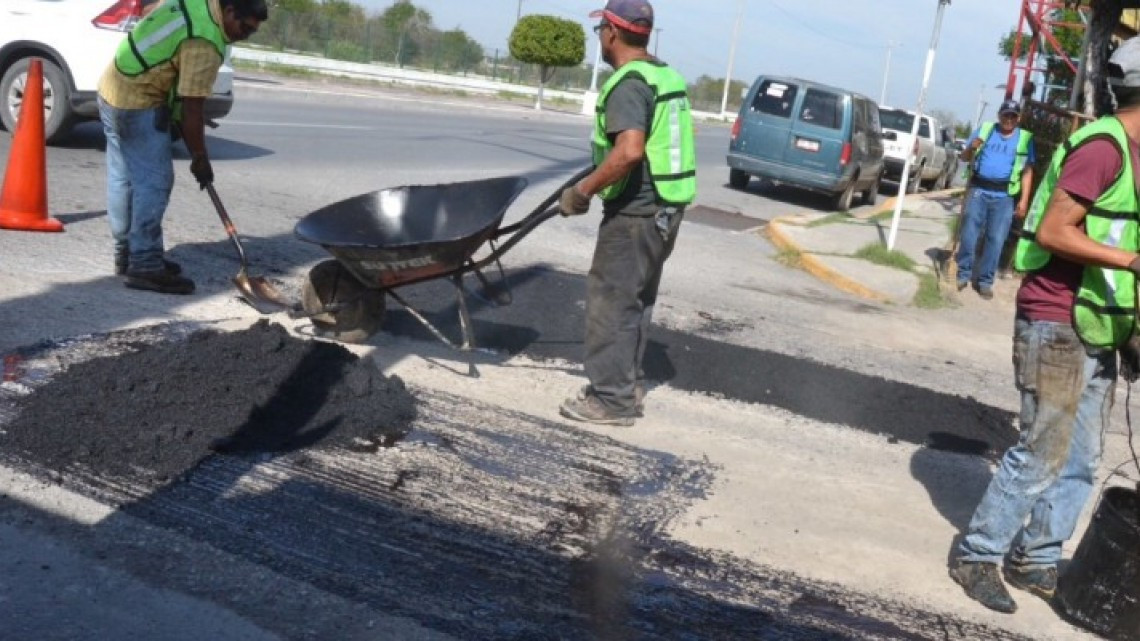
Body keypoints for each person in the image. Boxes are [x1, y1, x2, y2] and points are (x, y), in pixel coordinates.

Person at [950, 36, 1140, 614]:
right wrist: (1132, 263)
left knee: (1080, 459)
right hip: (1055, 317)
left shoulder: (1132, 154)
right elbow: (1058, 231)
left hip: (1097, 325)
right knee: (1043, 450)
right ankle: (977, 554)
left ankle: (1035, 557)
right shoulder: (1103, 148)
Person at [556, 0, 696, 427]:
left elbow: (630, 151)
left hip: (636, 214)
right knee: (635, 301)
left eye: (600, 30)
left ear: (612, 34)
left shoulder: (629, 84)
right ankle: (627, 386)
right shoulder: (664, 74)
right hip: (665, 209)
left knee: (611, 303)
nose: (598, 37)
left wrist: (582, 191)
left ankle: (611, 401)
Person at [98, 0, 268, 294]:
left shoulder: (200, 5)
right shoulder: (204, 41)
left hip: (112, 88)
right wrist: (200, 158)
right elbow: (193, 109)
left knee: (123, 177)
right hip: (137, 101)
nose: (246, 36)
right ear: (229, 13)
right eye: (245, 28)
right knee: (155, 181)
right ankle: (146, 264)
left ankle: (127, 254)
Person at [955, 99, 1036, 299]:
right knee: (968, 234)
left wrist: (1024, 200)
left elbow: (1027, 171)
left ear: (1018, 118)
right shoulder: (985, 130)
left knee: (995, 239)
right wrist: (971, 148)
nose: (1008, 119)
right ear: (999, 115)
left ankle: (985, 281)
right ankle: (963, 273)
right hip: (979, 190)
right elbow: (964, 158)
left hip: (1004, 197)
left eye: (1013, 116)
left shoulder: (1025, 139)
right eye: (1005, 115)